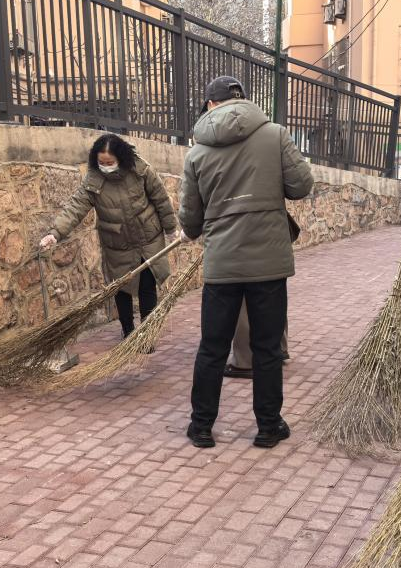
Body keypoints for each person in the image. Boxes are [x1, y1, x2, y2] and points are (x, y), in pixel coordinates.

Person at [179, 75, 314, 448]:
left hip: (222, 264)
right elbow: (302, 186)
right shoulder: (275, 135)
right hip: (268, 261)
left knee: (212, 347)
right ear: (244, 100)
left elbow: (190, 221)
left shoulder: (197, 152)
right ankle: (268, 426)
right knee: (267, 348)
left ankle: (202, 427)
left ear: (209, 105)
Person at [41, 133, 178, 339]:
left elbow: (160, 199)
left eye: (110, 162)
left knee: (147, 286)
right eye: (101, 162)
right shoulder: (94, 180)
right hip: (117, 244)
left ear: (121, 158)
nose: (105, 166)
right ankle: (129, 332)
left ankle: (147, 334)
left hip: (148, 237)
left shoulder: (140, 170)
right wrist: (55, 234)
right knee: (121, 288)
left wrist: (170, 228)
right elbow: (75, 208)